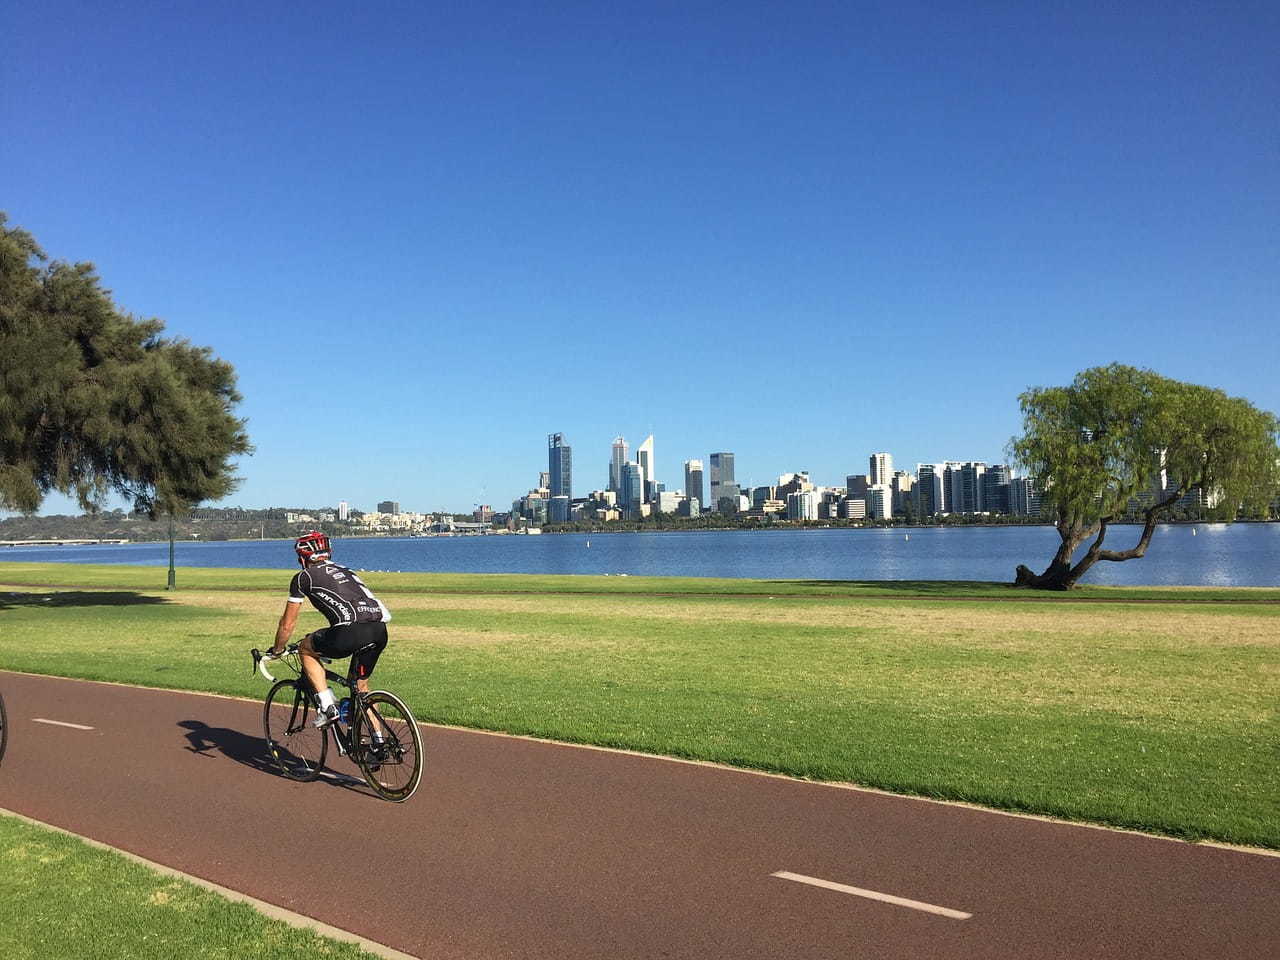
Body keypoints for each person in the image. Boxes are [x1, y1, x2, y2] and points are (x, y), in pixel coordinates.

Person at [266, 531, 391, 727]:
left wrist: (277, 649)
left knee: (305, 649)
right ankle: (379, 742)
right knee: (361, 688)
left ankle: (328, 707)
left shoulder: (302, 577)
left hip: (348, 632)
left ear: (302, 558)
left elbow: (287, 624)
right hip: (379, 630)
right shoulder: (346, 570)